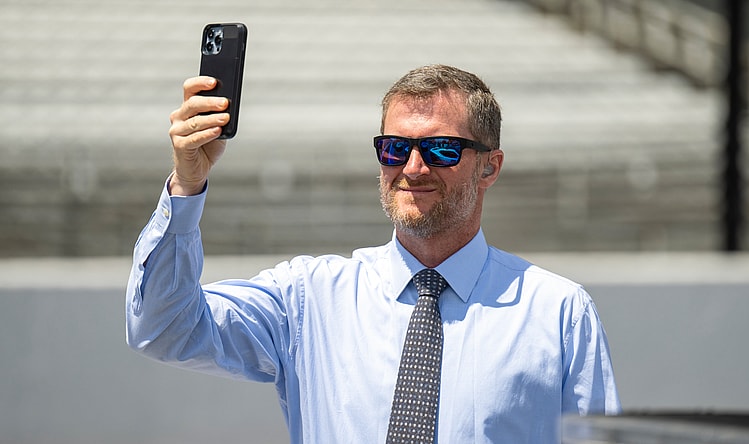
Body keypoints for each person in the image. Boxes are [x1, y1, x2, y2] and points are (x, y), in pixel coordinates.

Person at [126, 64, 621, 443]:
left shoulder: (558, 311)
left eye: (441, 149)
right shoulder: (309, 298)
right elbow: (165, 329)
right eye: (394, 148)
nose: (413, 168)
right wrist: (187, 184)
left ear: (489, 167)